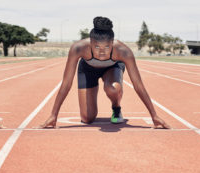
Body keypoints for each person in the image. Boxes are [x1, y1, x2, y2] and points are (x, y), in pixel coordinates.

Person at [39, 16, 170, 129]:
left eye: (107, 47)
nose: (102, 52)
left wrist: (154, 115)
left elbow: (138, 85)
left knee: (112, 88)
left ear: (112, 43)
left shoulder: (124, 51)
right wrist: (53, 115)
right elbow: (66, 83)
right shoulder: (78, 48)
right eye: (96, 47)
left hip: (112, 69)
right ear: (90, 43)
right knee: (87, 118)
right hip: (88, 70)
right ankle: (93, 110)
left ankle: (116, 108)